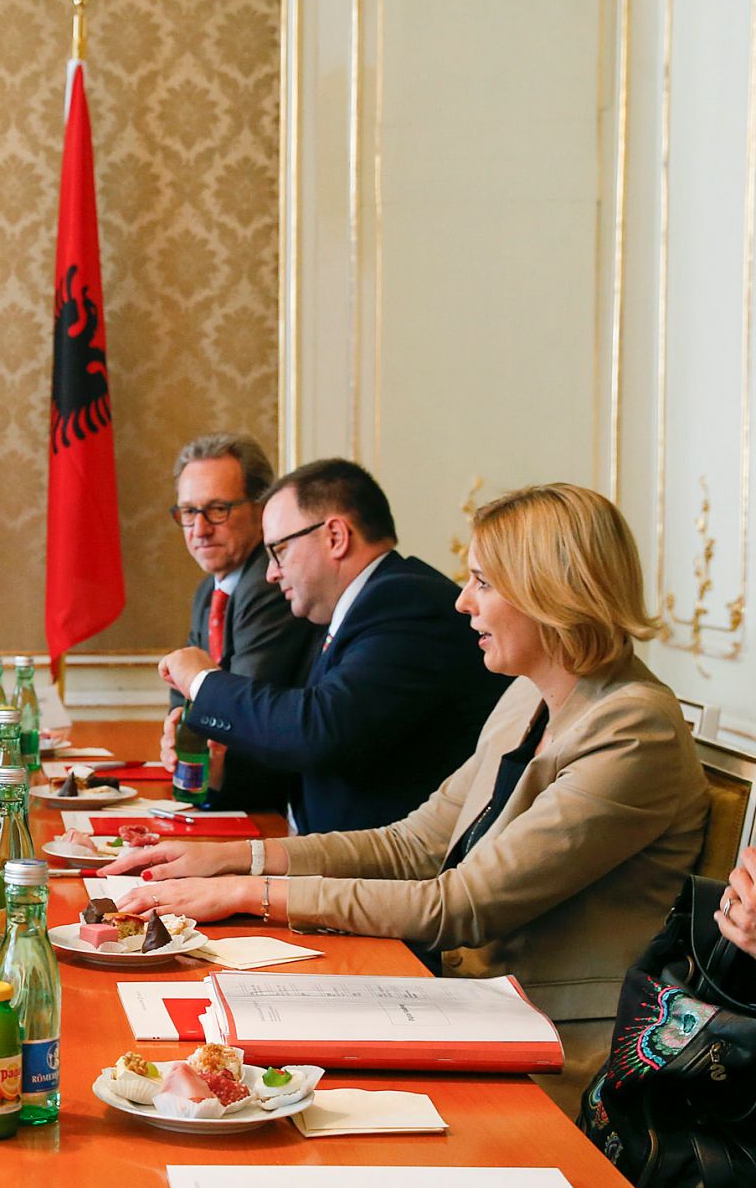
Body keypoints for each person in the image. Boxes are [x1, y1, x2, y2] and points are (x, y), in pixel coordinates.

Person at [109, 483, 708, 1110]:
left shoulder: (635, 728)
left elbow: (464, 904)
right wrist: (240, 858)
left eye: (482, 581)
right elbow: (412, 844)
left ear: (550, 592)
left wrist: (242, 894)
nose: (462, 601)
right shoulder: (527, 696)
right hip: (470, 1008)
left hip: (566, 1048)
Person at [162, 457, 510, 833]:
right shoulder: (358, 607)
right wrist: (220, 775)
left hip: (383, 875)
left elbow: (318, 731)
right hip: (324, 858)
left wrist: (203, 681)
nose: (271, 572)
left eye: (278, 551)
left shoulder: (406, 602)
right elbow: (317, 764)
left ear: (335, 537)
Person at [164, 434, 319, 812]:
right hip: (230, 792)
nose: (199, 529)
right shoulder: (209, 592)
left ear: (260, 509)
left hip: (271, 801)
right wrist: (177, 734)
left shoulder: (269, 585)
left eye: (217, 509)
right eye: (188, 512)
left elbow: (241, 718)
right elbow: (183, 701)